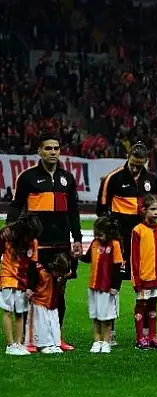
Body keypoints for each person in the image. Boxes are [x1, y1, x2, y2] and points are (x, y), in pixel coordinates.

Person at [7, 135, 82, 351]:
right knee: (32, 289)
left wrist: (77, 238)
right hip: (36, 243)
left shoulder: (67, 178)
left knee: (59, 291)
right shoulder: (27, 177)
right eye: (48, 148)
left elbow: (73, 211)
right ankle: (29, 338)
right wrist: (11, 228)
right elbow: (16, 205)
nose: (53, 152)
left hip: (61, 244)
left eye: (56, 148)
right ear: (39, 151)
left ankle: (56, 336)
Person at [97, 142, 157, 346]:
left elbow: (153, 207)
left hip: (142, 242)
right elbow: (101, 210)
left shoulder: (151, 180)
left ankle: (146, 333)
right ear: (128, 157)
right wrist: (111, 235)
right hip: (120, 243)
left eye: (140, 165)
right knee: (113, 285)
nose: (135, 168)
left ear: (145, 162)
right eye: (133, 164)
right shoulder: (112, 179)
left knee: (146, 286)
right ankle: (110, 331)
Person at [131, 195, 157, 350]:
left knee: (153, 305)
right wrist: (136, 281)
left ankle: (152, 336)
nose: (156, 212)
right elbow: (134, 258)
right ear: (144, 210)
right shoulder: (138, 231)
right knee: (141, 305)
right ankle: (140, 338)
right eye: (152, 209)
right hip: (144, 278)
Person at [80, 216, 124, 354]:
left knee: (106, 317)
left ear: (109, 233)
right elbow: (87, 258)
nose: (97, 237)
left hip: (107, 288)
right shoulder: (95, 243)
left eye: (100, 234)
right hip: (93, 286)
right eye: (96, 234)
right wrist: (77, 255)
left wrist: (115, 286)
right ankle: (97, 341)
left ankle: (106, 342)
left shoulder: (115, 245)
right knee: (95, 316)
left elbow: (118, 267)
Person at [0, 216, 42, 356]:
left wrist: (31, 286)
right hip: (8, 278)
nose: (32, 238)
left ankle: (18, 344)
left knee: (20, 312)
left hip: (23, 281)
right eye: (31, 234)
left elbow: (33, 266)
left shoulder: (33, 242)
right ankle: (10, 345)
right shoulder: (7, 236)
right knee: (7, 311)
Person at [25, 253, 70, 354]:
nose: (59, 275)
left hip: (52, 304)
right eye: (59, 273)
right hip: (40, 303)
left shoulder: (55, 277)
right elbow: (32, 281)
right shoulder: (40, 270)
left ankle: (54, 343)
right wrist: (30, 290)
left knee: (53, 324)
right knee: (42, 324)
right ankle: (43, 345)